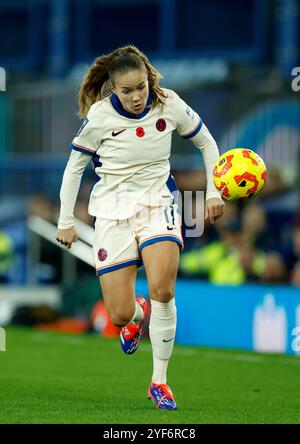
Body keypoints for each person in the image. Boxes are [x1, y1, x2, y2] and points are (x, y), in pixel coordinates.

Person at [55, 45, 224, 410]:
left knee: (164, 288)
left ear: (149, 79)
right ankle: (136, 314)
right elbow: (74, 168)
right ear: (113, 89)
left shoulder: (169, 103)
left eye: (141, 88)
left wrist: (213, 193)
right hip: (112, 213)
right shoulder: (99, 117)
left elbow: (206, 143)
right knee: (118, 314)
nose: (136, 97)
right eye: (126, 91)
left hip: (156, 204)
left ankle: (159, 382)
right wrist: (66, 220)